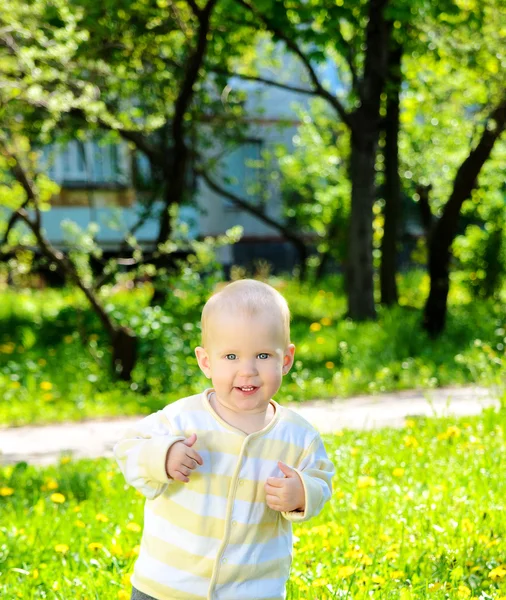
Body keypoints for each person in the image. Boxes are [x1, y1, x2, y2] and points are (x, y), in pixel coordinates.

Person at [114, 279, 335, 600]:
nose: (247, 371)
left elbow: (321, 480)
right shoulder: (182, 419)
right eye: (231, 357)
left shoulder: (298, 436)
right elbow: (128, 448)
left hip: (252, 590)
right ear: (206, 361)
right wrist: (163, 455)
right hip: (167, 586)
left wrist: (302, 492)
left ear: (285, 360)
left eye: (262, 355)